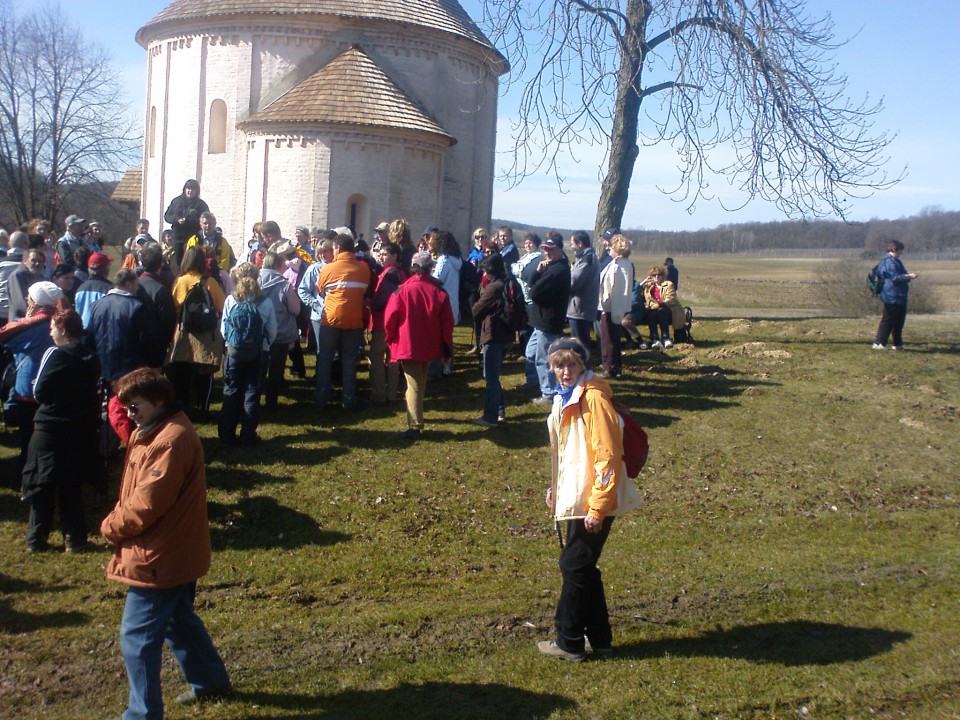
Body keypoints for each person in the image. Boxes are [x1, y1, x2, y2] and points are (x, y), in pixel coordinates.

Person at [101, 368, 231, 720]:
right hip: (174, 549)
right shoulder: (157, 430)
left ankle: (142, 714)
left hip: (161, 555)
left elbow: (148, 503)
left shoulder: (170, 439)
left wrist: (111, 526)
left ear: (158, 400)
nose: (129, 411)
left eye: (135, 404)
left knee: (136, 638)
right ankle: (211, 680)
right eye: (126, 405)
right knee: (178, 620)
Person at [537, 337, 641, 663]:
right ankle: (600, 640)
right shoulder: (565, 397)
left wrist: (598, 507)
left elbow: (608, 455)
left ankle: (568, 641)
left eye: (570, 364)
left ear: (582, 365)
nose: (564, 371)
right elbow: (568, 451)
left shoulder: (594, 398)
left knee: (573, 564)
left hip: (595, 498)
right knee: (583, 566)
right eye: (558, 365)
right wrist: (556, 488)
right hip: (578, 494)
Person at [21, 308, 102, 552]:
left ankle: (37, 537)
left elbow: (39, 391)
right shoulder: (91, 357)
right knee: (71, 483)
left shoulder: (55, 354)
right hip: (79, 426)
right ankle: (74, 538)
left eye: (53, 328)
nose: (51, 333)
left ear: (63, 329)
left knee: (41, 482)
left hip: (50, 426)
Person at [384, 251, 453, 439]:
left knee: (413, 385)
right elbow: (448, 323)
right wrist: (445, 347)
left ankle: (415, 425)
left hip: (409, 345)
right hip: (429, 345)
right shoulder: (439, 291)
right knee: (419, 382)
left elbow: (389, 318)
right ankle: (417, 418)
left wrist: (390, 339)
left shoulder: (402, 290)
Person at [0, 281, 64, 479]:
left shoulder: (24, 326)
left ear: (35, 302)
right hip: (56, 388)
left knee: (28, 436)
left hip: (28, 390)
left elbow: (4, 337)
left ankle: (26, 475)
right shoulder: (64, 322)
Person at [314, 232, 371, 410]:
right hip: (353, 320)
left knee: (325, 359)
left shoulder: (328, 269)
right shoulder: (363, 269)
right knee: (349, 361)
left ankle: (321, 399)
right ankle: (348, 399)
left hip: (330, 320)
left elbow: (320, 290)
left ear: (337, 248)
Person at [219, 272, 276, 445]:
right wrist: (264, 345)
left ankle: (226, 433)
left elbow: (223, 329)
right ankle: (248, 433)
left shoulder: (230, 300)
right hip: (255, 353)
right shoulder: (266, 303)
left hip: (234, 352)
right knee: (252, 391)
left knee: (232, 389)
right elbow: (272, 331)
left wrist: (232, 342)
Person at [169, 246, 226, 419]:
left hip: (184, 332)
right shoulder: (209, 282)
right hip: (205, 334)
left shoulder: (179, 281)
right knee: (204, 373)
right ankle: (202, 408)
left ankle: (182, 406)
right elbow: (221, 305)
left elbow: (174, 306)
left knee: (182, 373)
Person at [87, 268, 163, 381]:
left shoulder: (96, 306)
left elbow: (90, 337)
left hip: (104, 369)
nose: (137, 289)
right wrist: (156, 365)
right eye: (136, 285)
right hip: (130, 371)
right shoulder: (136, 307)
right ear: (128, 284)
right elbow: (149, 340)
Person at [526, 234, 571, 404]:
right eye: (545, 249)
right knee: (530, 353)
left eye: (551, 250)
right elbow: (533, 287)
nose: (547, 253)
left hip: (548, 322)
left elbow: (533, 293)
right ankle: (533, 381)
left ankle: (549, 393)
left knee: (544, 359)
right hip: (540, 321)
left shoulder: (557, 270)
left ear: (560, 250)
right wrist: (538, 272)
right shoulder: (551, 267)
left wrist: (538, 276)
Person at [471, 253, 513, 427]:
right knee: (494, 375)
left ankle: (490, 416)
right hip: (507, 334)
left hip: (494, 335)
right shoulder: (508, 283)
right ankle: (500, 410)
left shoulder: (493, 287)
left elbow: (476, 310)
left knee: (491, 377)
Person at [258, 250, 301, 409]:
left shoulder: (253, 281)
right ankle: (271, 402)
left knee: (258, 370)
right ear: (277, 265)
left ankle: (253, 400)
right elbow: (295, 309)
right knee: (276, 370)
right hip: (280, 332)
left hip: (258, 333)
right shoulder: (284, 285)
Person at [368, 242, 405, 405]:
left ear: (395, 255)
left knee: (376, 356)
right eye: (380, 254)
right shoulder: (400, 273)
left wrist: (370, 303)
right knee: (392, 358)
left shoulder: (390, 274)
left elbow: (386, 299)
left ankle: (379, 394)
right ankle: (391, 393)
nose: (381, 257)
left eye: (385, 254)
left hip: (384, 321)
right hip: (395, 322)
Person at [597, 234, 634, 377]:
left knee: (609, 338)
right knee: (611, 337)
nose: (609, 249)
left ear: (617, 248)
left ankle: (610, 368)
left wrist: (615, 311)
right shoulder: (620, 263)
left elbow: (619, 289)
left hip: (612, 307)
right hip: (609, 306)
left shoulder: (620, 265)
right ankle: (614, 365)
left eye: (611, 246)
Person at [873, 240, 919, 351]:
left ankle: (897, 344)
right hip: (891, 296)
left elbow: (901, 274)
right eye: (900, 251)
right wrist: (909, 277)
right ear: (894, 250)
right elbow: (894, 277)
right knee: (888, 320)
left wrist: (906, 276)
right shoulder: (889, 262)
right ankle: (879, 343)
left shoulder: (896, 261)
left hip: (899, 295)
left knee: (899, 321)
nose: (901, 253)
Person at [164, 179, 209, 268]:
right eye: (188, 188)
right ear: (185, 189)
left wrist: (191, 220)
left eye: (193, 189)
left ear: (196, 191)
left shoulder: (201, 205)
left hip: (194, 236)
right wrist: (177, 220)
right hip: (178, 237)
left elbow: (206, 219)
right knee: (178, 261)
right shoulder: (176, 201)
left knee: (193, 260)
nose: (190, 191)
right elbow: (167, 216)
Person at [567, 230, 600, 347]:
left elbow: (573, 282)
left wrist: (561, 282)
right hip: (581, 308)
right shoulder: (586, 258)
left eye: (572, 243)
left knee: (579, 344)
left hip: (580, 309)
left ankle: (584, 365)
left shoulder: (586, 259)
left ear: (580, 243)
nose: (571, 246)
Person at [641, 265, 684, 349]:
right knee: (651, 314)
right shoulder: (648, 286)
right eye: (654, 275)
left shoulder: (668, 285)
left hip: (668, 310)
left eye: (659, 274)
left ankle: (665, 338)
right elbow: (639, 294)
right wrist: (643, 283)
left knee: (661, 311)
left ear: (663, 275)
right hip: (653, 310)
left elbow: (671, 299)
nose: (656, 277)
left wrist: (659, 305)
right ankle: (654, 339)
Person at [7, 246, 47, 322]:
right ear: (25, 261)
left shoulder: (42, 277)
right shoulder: (17, 276)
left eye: (40, 261)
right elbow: (20, 304)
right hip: (19, 322)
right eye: (33, 260)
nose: (37, 263)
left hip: (37, 320)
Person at [74, 252, 114, 326]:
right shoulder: (110, 289)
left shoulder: (80, 288)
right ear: (106, 270)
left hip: (82, 333)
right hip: (101, 333)